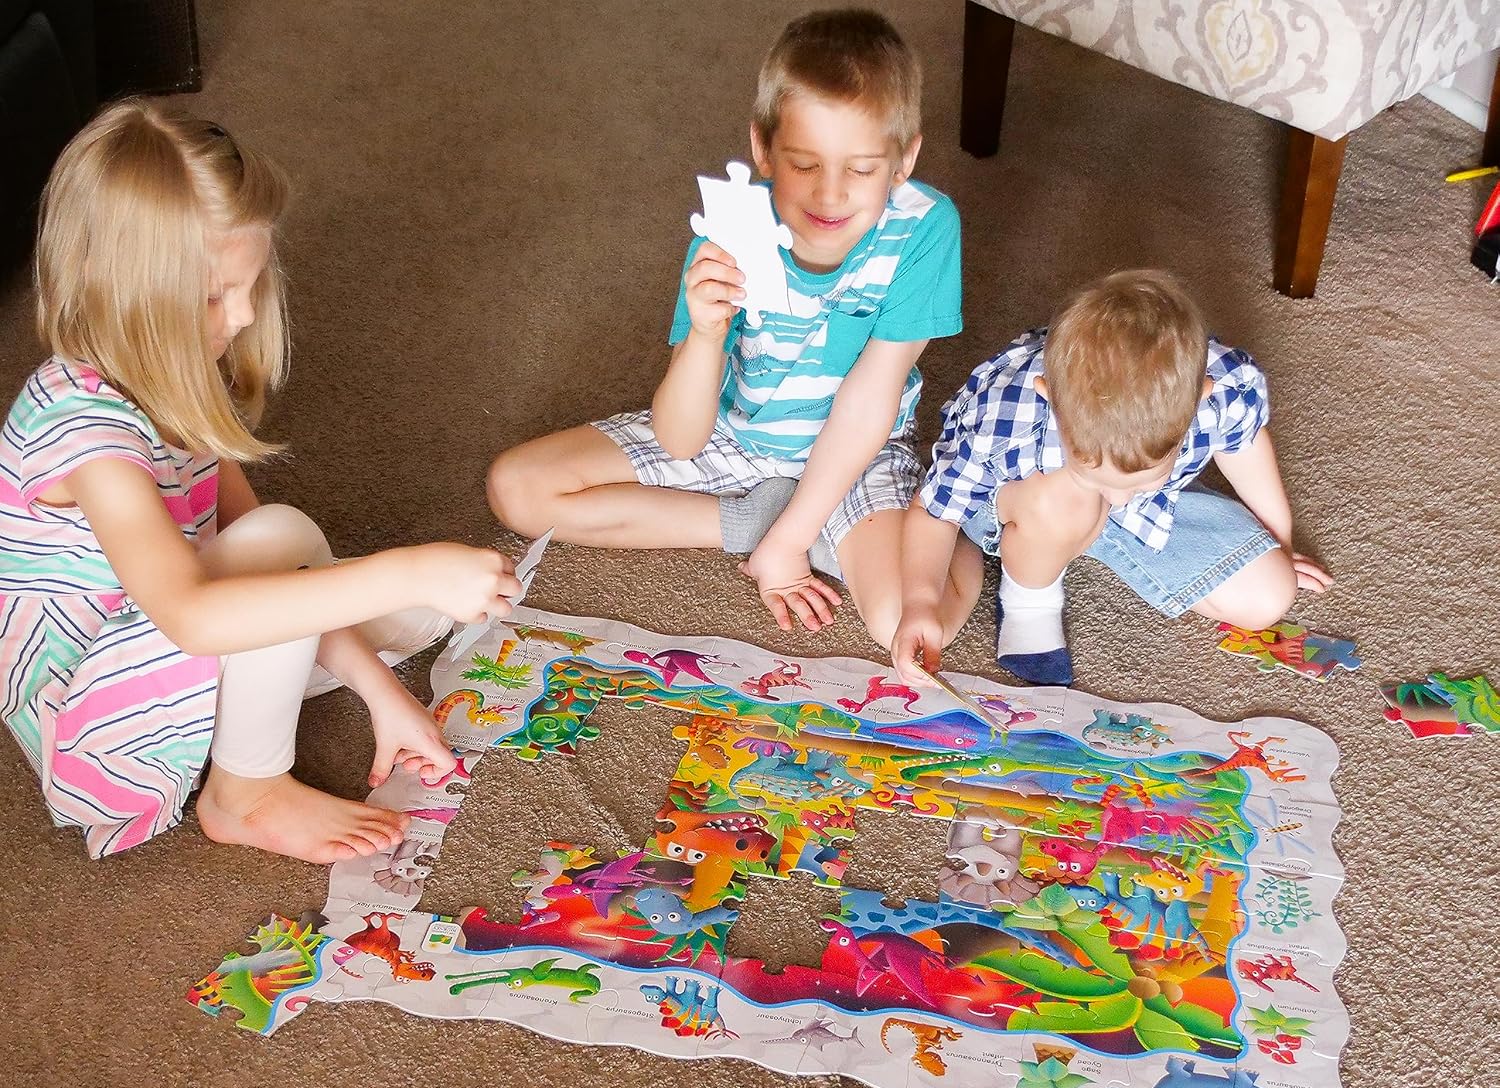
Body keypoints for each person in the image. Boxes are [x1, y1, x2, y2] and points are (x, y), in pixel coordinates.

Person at [0, 101, 518, 862]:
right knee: (312, 550)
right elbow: (198, 614)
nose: (243, 315)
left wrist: (385, 695)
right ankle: (246, 793)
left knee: (407, 610)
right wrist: (405, 568)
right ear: (114, 286)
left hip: (168, 647)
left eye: (251, 284)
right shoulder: (85, 436)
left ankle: (248, 719)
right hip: (92, 738)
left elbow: (260, 555)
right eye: (215, 295)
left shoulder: (169, 380)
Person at [488, 8, 969, 644]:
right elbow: (681, 437)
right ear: (762, 149)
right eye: (805, 165)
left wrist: (793, 542)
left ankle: (956, 513)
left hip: (860, 451)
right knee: (517, 489)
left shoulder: (925, 227)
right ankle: (749, 520)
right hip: (736, 434)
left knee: (900, 620)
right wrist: (706, 335)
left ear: (903, 160)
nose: (830, 195)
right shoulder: (729, 236)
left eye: (859, 170)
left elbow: (870, 400)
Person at [893, 269, 1331, 687]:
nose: (1118, 498)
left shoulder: (1226, 386)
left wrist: (1280, 540)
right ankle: (1029, 598)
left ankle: (1110, 502)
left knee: (1269, 597)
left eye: (1140, 477)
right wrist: (920, 601)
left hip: (1151, 508)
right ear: (1051, 398)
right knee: (1067, 501)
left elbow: (1246, 451)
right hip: (1026, 502)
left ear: (1199, 399)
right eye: (1101, 477)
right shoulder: (1006, 417)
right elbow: (936, 512)